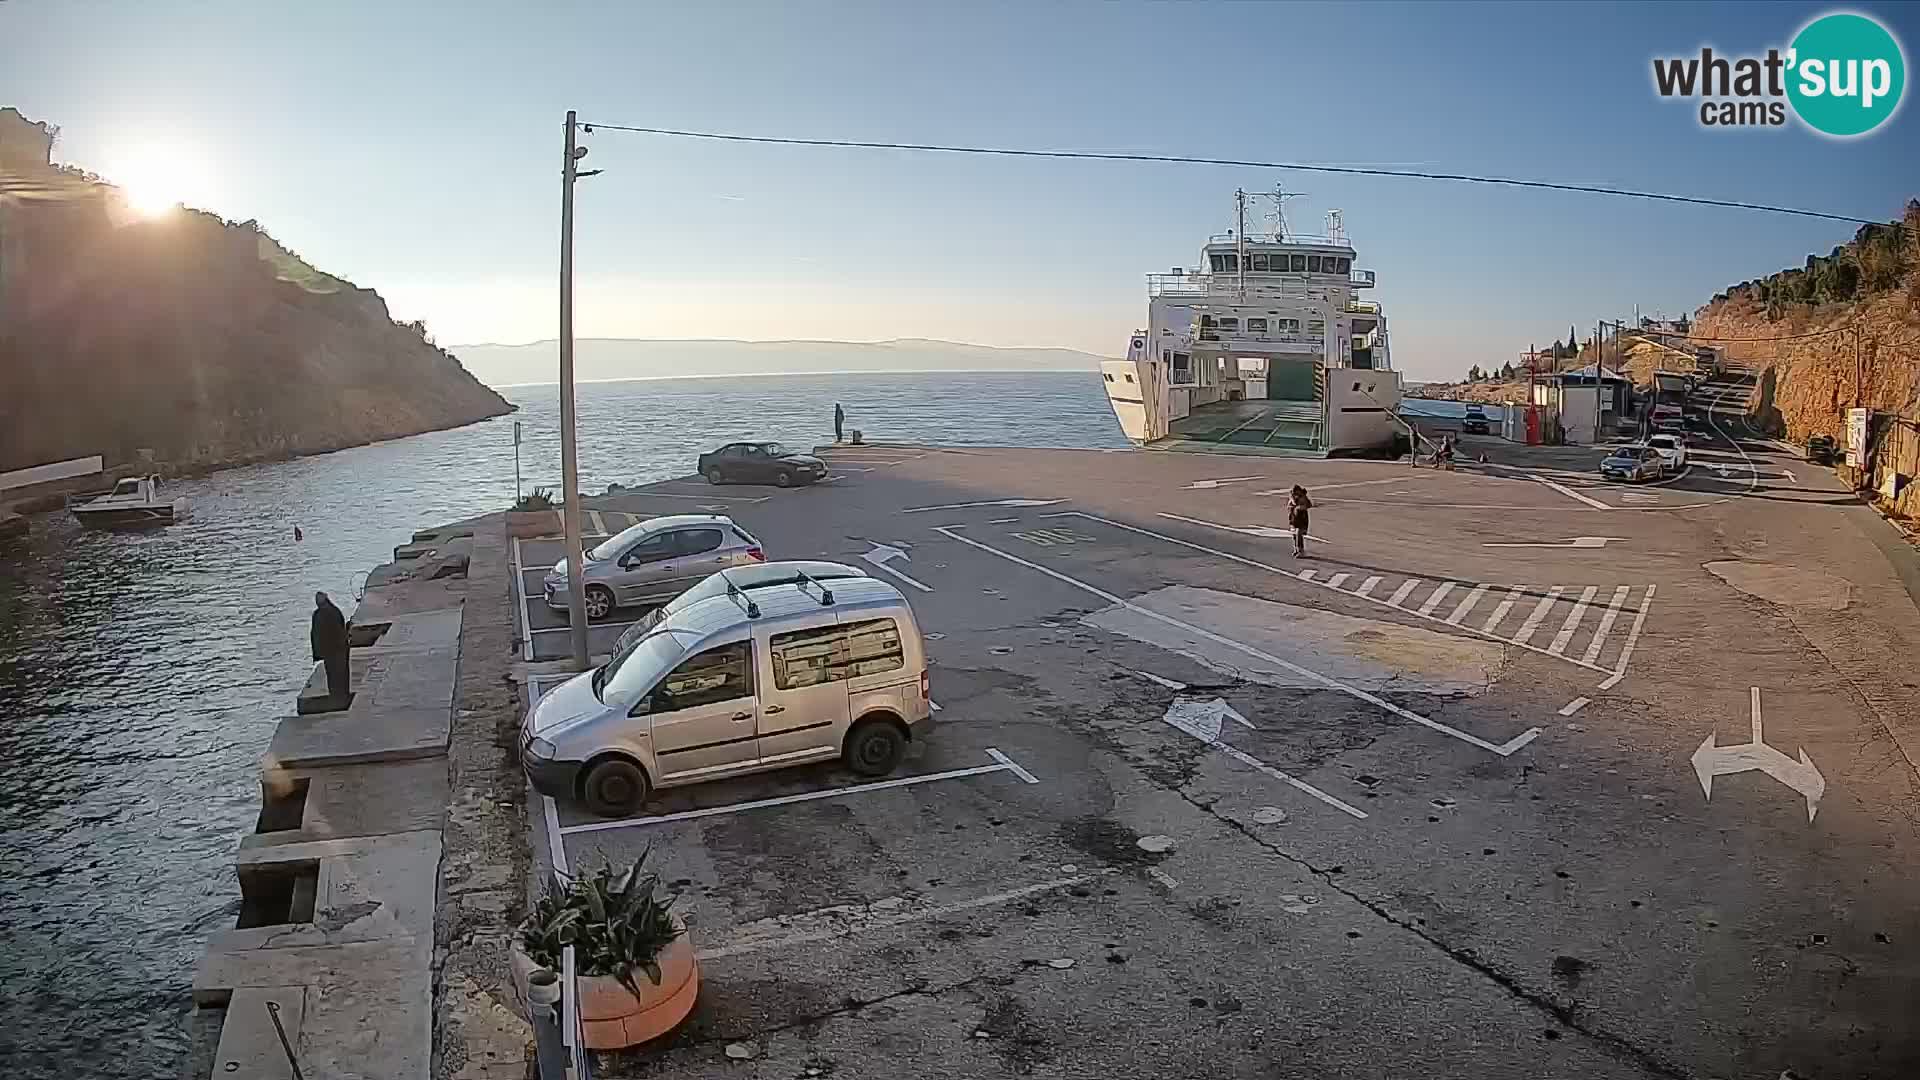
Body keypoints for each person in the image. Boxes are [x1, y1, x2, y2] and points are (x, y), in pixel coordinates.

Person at [310, 591, 350, 707]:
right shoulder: (335, 611)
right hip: (339, 649)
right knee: (341, 675)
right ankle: (343, 698)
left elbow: (316, 635)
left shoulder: (318, 615)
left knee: (333, 676)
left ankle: (337, 699)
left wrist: (318, 653)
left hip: (330, 651)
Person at [1286, 485, 1313, 558]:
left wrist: (1300, 505)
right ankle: (1296, 549)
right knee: (1294, 535)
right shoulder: (1292, 498)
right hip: (1294, 518)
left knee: (1299, 534)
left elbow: (1309, 504)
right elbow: (1291, 505)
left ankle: (1301, 551)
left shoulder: (1303, 498)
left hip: (1301, 518)